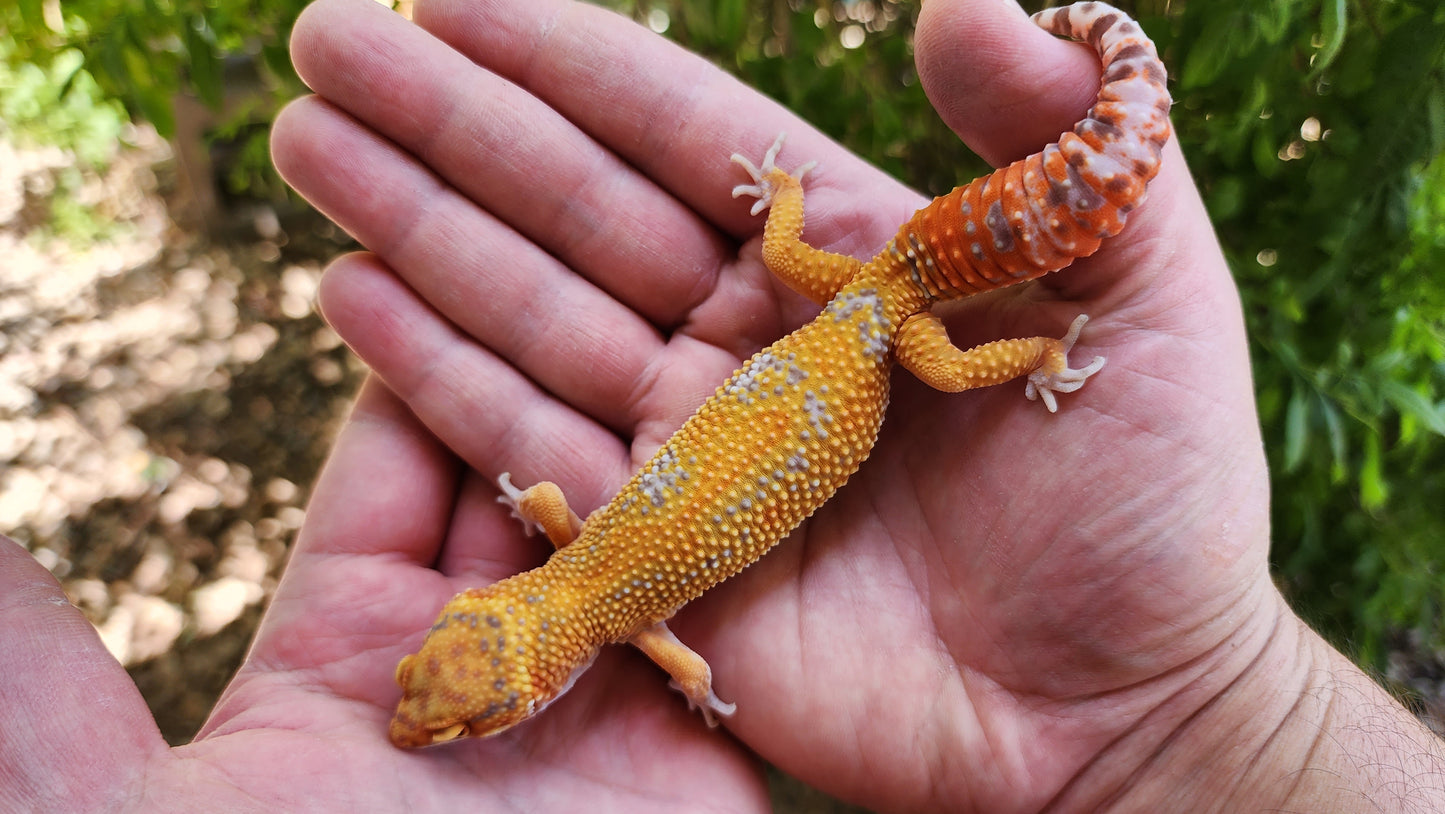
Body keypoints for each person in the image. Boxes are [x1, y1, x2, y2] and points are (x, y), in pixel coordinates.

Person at [3, 0, 1441, 809]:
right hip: (851, 313)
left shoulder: (622, 612)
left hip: (880, 343)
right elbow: (565, 522)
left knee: (951, 353)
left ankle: (1037, 331)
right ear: (490, 625)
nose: (436, 722)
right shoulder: (582, 567)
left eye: (457, 716)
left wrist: (1040, 362)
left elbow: (683, 663)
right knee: (841, 285)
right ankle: (949, 228)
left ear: (519, 653)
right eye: (452, 717)